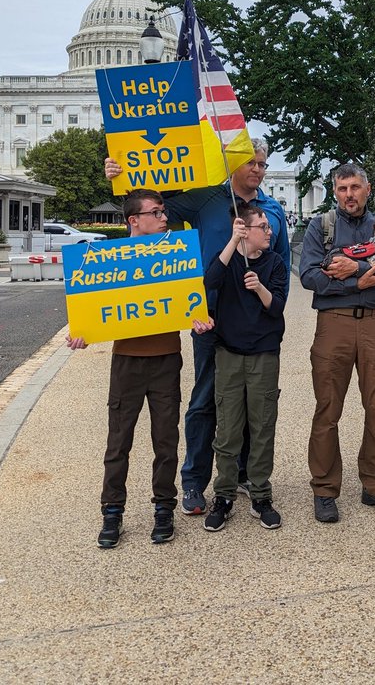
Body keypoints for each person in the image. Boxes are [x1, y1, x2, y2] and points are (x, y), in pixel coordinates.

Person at [105, 139, 290, 517]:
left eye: (262, 164)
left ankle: (241, 474)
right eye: (250, 162)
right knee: (205, 398)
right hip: (206, 316)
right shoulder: (206, 198)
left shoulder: (271, 211)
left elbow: (280, 267)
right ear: (233, 163)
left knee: (249, 402)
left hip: (252, 325)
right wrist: (123, 177)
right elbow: (152, 211)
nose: (257, 169)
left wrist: (271, 315)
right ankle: (194, 481)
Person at [66, 188, 213, 548]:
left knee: (166, 441)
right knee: (118, 441)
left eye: (164, 212)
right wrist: (82, 334)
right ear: (135, 220)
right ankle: (112, 511)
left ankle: (164, 507)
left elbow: (188, 302)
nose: (165, 217)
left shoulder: (176, 253)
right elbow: (93, 306)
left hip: (165, 359)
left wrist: (198, 320)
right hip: (127, 362)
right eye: (157, 212)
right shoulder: (108, 259)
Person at [299, 163, 375, 522]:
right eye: (342, 188)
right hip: (335, 324)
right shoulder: (322, 226)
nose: (349, 194)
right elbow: (311, 275)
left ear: (367, 188)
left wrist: (355, 268)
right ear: (335, 191)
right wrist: (356, 284)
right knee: (328, 408)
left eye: (355, 187)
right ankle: (325, 489)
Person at [201, 205, 287, 532]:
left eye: (268, 226)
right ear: (244, 229)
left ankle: (261, 494)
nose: (269, 232)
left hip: (264, 353)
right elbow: (211, 280)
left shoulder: (275, 263)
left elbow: (276, 307)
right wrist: (231, 243)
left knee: (262, 425)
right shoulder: (227, 259)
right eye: (262, 227)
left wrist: (259, 287)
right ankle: (223, 496)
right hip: (229, 354)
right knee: (228, 428)